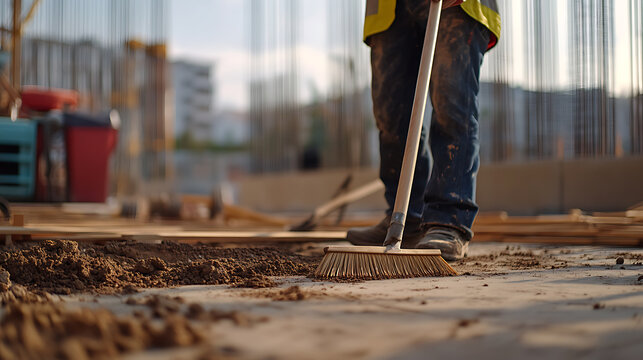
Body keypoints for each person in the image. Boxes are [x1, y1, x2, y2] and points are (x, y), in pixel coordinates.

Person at [347, 0, 500, 260]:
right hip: (389, 9)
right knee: (391, 117)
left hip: (457, 7)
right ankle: (405, 217)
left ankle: (448, 219)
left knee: (452, 106)